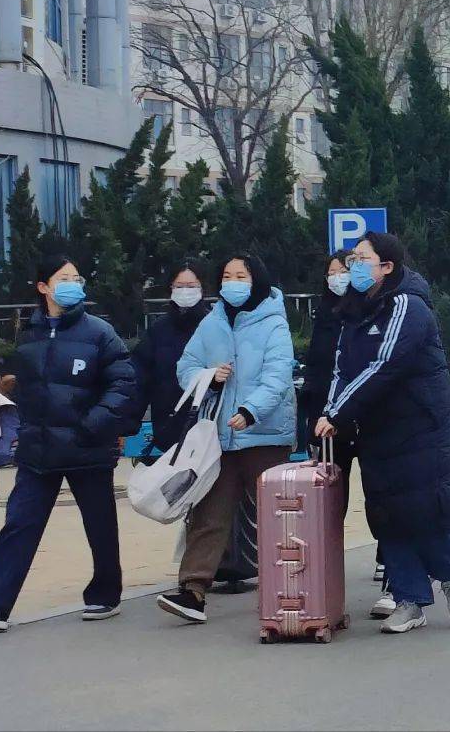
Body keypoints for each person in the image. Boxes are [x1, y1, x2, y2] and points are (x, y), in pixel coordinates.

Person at [0, 256, 138, 632]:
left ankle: (105, 594)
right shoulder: (29, 335)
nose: (72, 284)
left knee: (100, 524)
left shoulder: (100, 333)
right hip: (37, 449)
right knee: (20, 523)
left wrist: (94, 424)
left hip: (87, 447)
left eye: (76, 278)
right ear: (43, 287)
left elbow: (123, 383)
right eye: (63, 278)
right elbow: (25, 387)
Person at [313, 232, 450, 635]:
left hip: (420, 428)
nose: (354, 268)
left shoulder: (408, 306)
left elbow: (384, 365)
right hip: (378, 430)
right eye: (352, 260)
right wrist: (330, 411)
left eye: (362, 260)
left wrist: (338, 410)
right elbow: (341, 368)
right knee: (388, 514)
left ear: (387, 267)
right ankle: (409, 600)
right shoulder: (353, 312)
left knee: (426, 509)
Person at [157, 253, 296, 624]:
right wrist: (208, 377)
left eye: (242, 275)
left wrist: (251, 410)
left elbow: (278, 376)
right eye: (227, 275)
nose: (233, 282)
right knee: (208, 513)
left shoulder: (274, 324)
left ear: (258, 280)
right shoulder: (211, 323)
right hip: (219, 435)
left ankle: (291, 587)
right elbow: (185, 366)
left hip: (264, 435)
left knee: (277, 516)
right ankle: (193, 590)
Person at [303, 251, 396, 620]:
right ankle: (322, 571)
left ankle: (390, 564)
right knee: (329, 500)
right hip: (329, 422)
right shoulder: (325, 315)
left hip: (368, 420)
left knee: (381, 497)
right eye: (331, 273)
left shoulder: (376, 311)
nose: (338, 278)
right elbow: (316, 371)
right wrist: (314, 416)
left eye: (345, 270)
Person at [131, 260, 211, 454]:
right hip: (168, 427)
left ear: (202, 289)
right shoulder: (158, 330)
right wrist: (129, 420)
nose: (185, 291)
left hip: (208, 428)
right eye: (179, 286)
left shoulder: (213, 326)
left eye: (191, 286)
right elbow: (140, 378)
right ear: (171, 289)